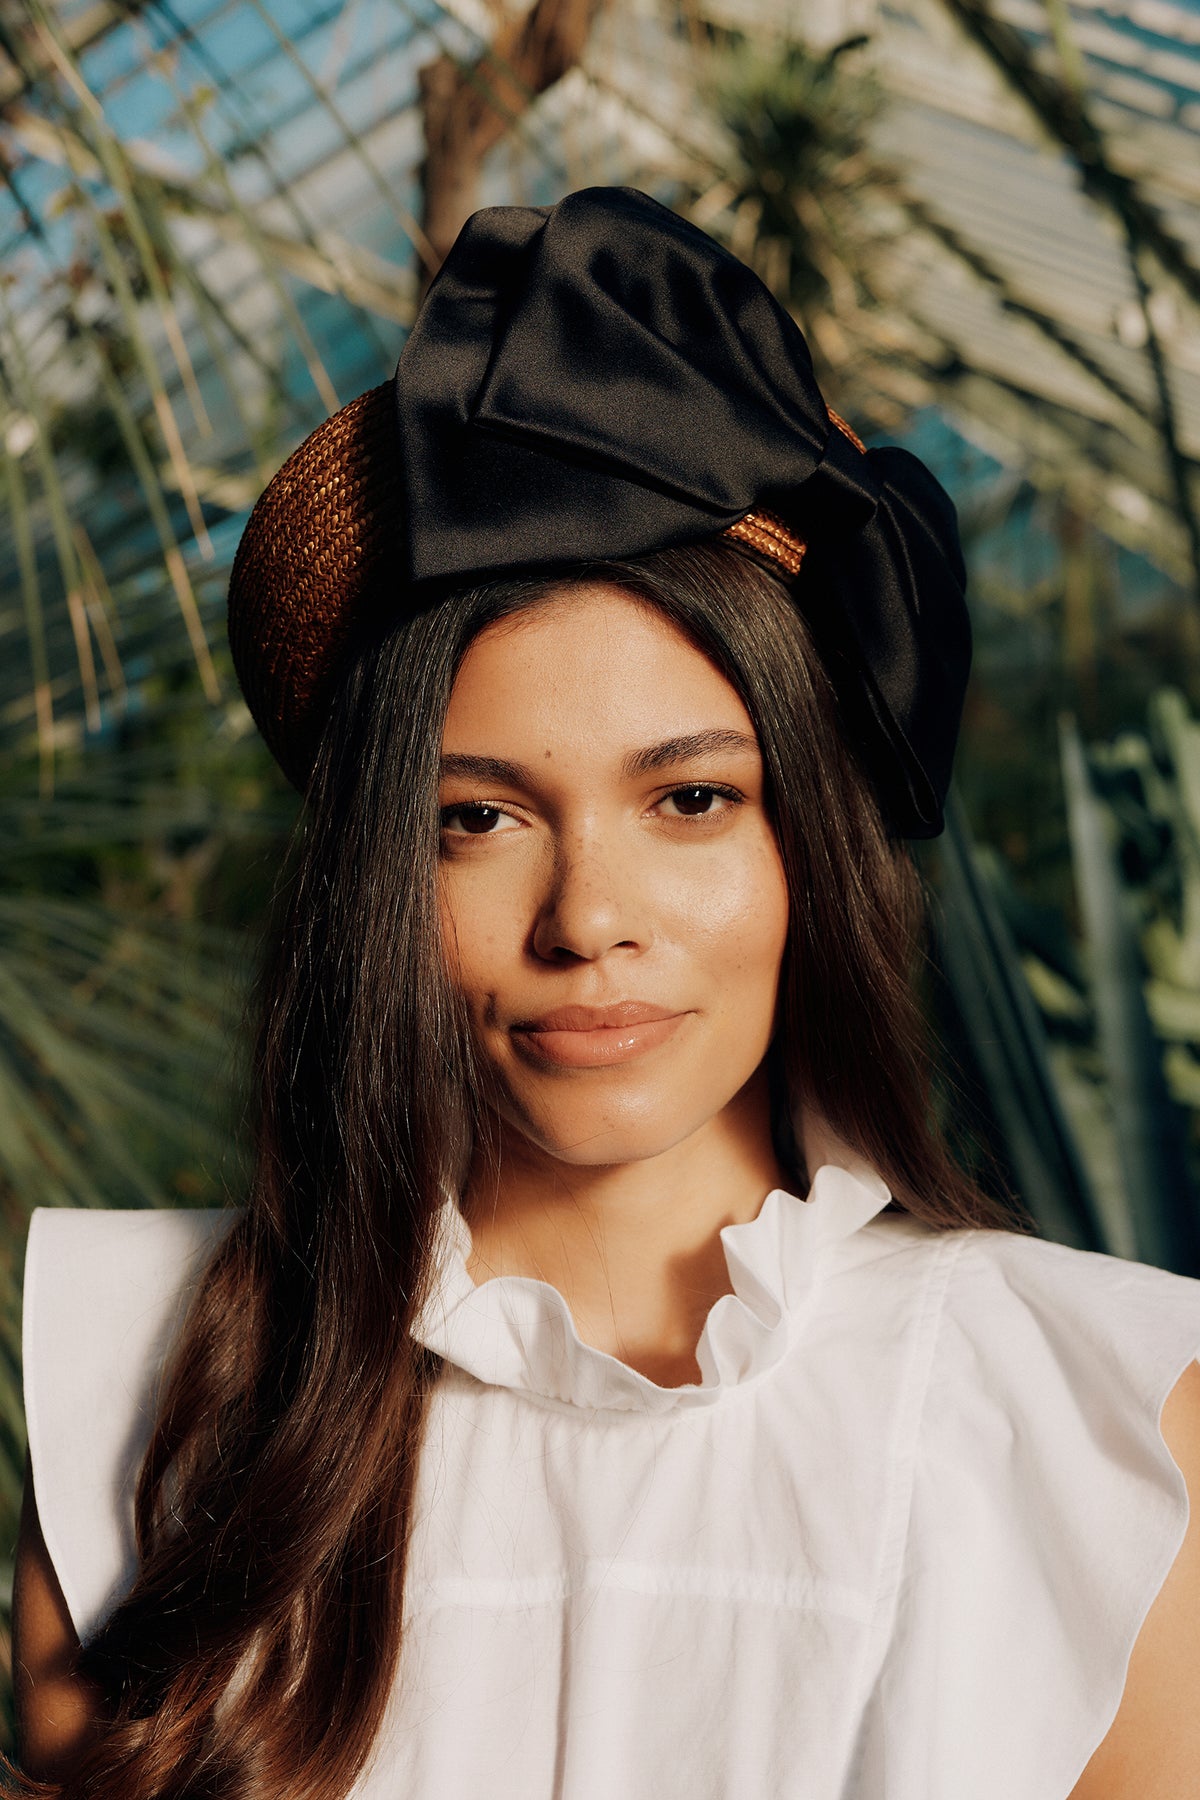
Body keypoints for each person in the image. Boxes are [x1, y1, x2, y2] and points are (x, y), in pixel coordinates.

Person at [10, 187, 1200, 1800]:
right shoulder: (170, 1415)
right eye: (477, 819)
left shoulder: (1103, 1427)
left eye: (691, 799)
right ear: (377, 880)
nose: (590, 919)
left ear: (810, 851)